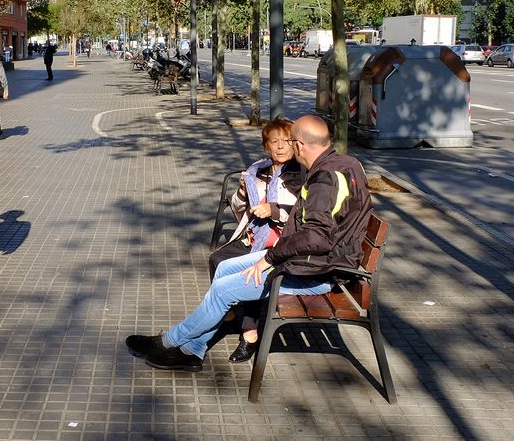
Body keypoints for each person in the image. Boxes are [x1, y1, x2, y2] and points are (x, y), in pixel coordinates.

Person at [126, 115, 374, 371]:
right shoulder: (346, 163)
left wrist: (269, 258)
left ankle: (169, 342)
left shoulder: (325, 179)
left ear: (299, 145)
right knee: (223, 268)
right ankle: (193, 351)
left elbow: (317, 237)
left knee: (224, 290)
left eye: (289, 141)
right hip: (314, 262)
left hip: (318, 272)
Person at [209, 117, 301, 363]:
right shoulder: (257, 171)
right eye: (274, 141)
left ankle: (249, 336)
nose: (280, 146)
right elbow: (240, 211)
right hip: (254, 235)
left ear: (295, 144)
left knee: (253, 272)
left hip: (283, 243)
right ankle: (228, 317)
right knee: (217, 258)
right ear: (266, 146)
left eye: (286, 141)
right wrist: (240, 192)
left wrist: (274, 209)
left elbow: (302, 213)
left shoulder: (300, 174)